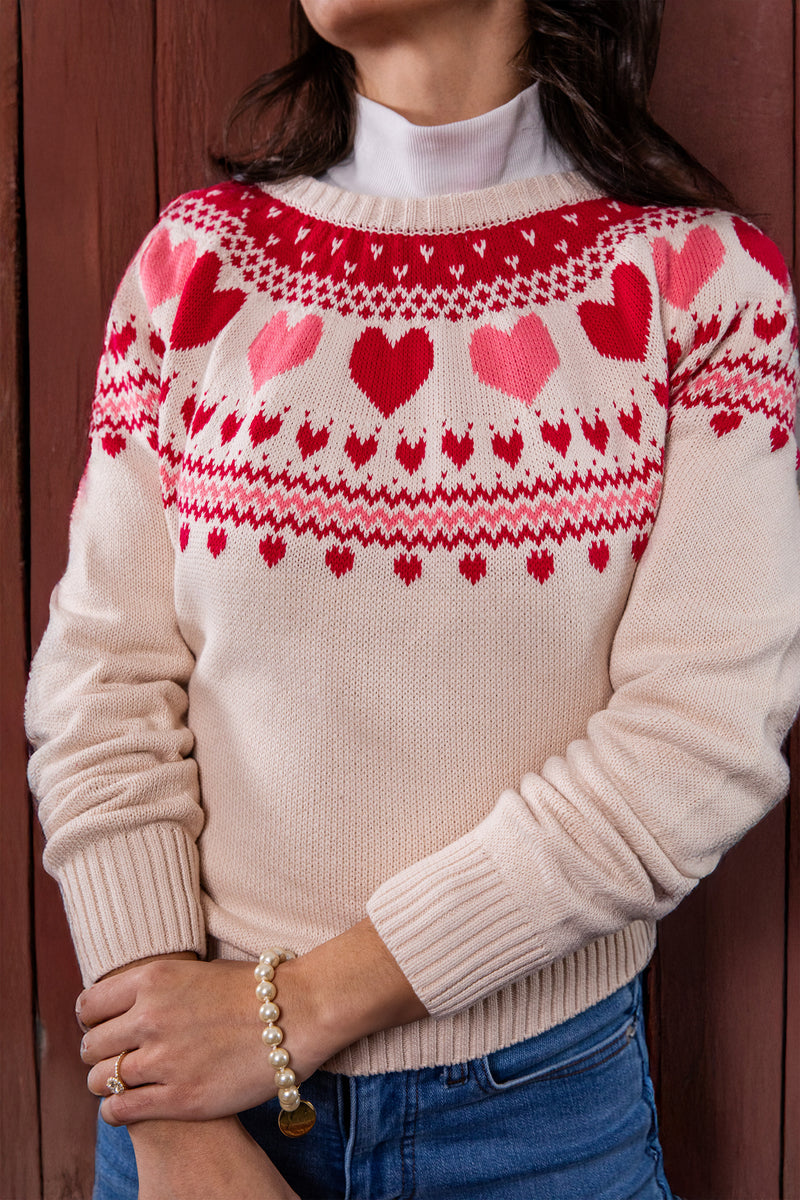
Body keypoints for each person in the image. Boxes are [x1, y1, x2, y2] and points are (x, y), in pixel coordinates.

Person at [25, 0, 800, 1197]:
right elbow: (100, 685)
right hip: (191, 1103)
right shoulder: (197, 267)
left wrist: (295, 1012)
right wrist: (169, 1110)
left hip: (535, 1124)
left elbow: (698, 740)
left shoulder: (700, 289)